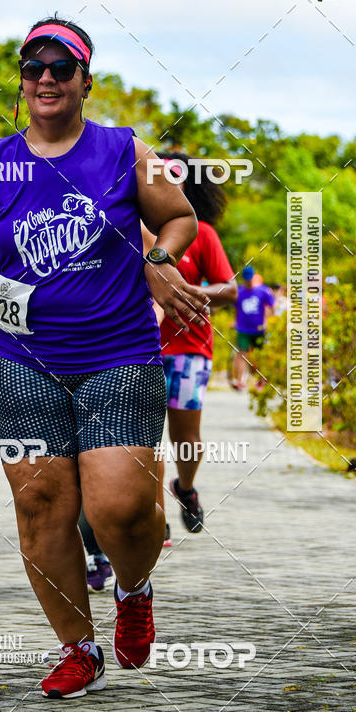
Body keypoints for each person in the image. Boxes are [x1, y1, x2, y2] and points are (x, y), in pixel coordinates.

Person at [0, 17, 209, 699]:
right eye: (35, 67)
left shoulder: (123, 150)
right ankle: (78, 648)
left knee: (119, 506)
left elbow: (181, 218)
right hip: (26, 360)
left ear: (87, 79)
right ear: (22, 81)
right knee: (42, 506)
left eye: (62, 66)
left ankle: (135, 586)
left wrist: (157, 258)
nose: (48, 77)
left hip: (119, 352)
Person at [158, 154, 237, 534]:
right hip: (137, 350)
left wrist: (191, 292)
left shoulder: (202, 234)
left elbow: (230, 289)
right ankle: (151, 514)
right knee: (141, 439)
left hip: (189, 349)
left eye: (177, 175)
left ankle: (185, 488)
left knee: (185, 437)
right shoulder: (133, 228)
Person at [231, 265, 274, 390]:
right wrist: (235, 322)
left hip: (259, 330)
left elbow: (271, 306)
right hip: (243, 329)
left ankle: (261, 381)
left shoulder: (263, 291)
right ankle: (240, 381)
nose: (248, 282)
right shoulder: (239, 291)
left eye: (250, 279)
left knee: (259, 356)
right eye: (246, 279)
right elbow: (236, 309)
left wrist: (269, 320)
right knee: (242, 354)